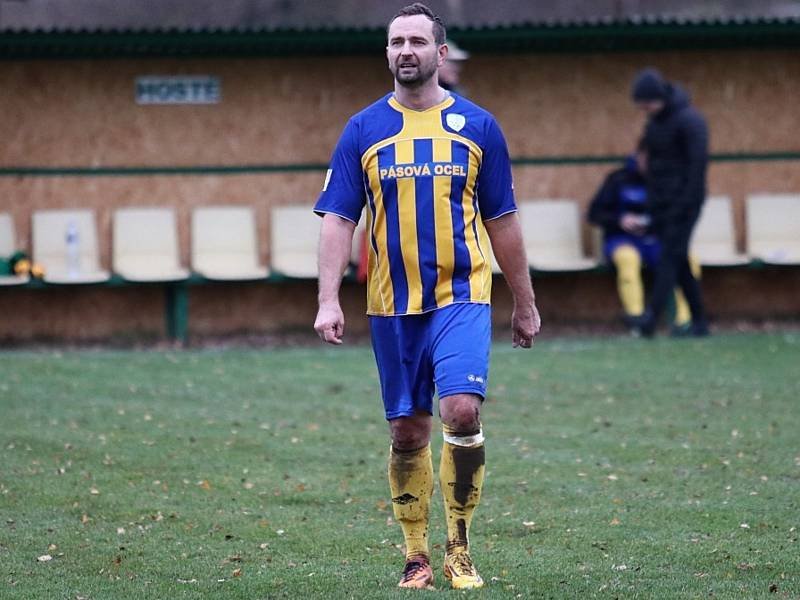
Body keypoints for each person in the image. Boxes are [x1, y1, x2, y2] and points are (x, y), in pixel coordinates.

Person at [313, 2, 540, 590]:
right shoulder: (363, 129)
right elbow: (338, 218)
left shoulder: (480, 127)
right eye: (396, 43)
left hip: (463, 296)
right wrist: (327, 299)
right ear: (387, 54)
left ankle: (459, 549)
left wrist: (526, 301)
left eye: (417, 41)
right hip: (391, 304)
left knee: (461, 411)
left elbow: (504, 220)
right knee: (407, 432)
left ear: (441, 53)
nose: (405, 51)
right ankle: (415, 555)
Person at [588, 141, 702, 335]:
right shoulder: (618, 179)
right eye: (648, 158)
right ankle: (637, 319)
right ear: (638, 156)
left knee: (687, 259)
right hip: (622, 239)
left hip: (656, 240)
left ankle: (684, 321)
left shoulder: (666, 181)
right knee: (628, 259)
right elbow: (594, 214)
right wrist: (620, 220)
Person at [629, 67, 710, 337]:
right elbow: (652, 164)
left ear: (656, 97)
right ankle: (700, 322)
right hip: (662, 203)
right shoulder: (655, 123)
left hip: (684, 203)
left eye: (645, 103)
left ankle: (651, 318)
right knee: (679, 260)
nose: (643, 109)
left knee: (668, 258)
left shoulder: (690, 120)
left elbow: (697, 166)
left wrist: (687, 202)